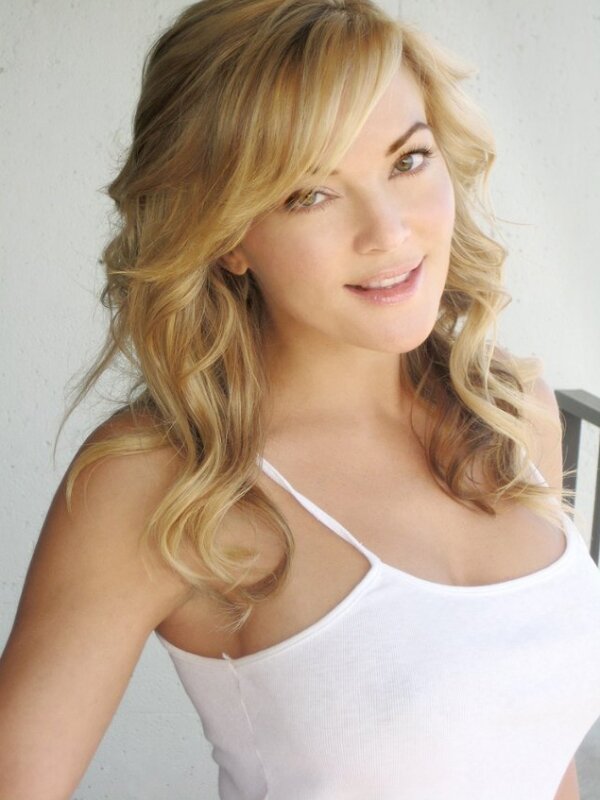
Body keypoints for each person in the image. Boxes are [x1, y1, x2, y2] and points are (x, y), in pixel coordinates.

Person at [0, 1, 598, 798]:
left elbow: (539, 756)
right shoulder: (165, 481)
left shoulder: (511, 410)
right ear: (227, 236)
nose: (389, 232)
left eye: (408, 160)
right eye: (309, 194)